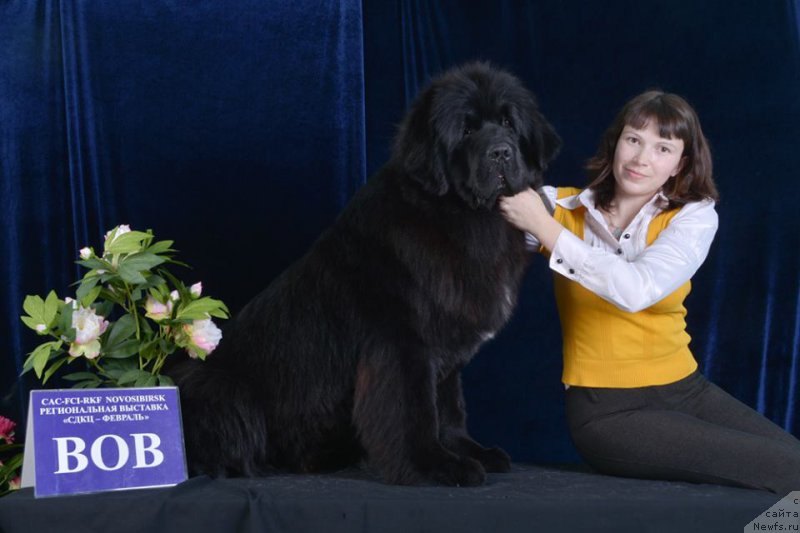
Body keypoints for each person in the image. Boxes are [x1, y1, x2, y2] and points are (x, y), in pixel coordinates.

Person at [499, 90, 800, 495]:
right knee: (789, 471)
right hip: (607, 411)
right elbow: (477, 208)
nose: (642, 158)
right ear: (616, 143)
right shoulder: (560, 208)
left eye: (663, 148)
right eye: (634, 140)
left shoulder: (693, 218)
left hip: (684, 389)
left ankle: (770, 530)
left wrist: (545, 228)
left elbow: (636, 289)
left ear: (681, 164)